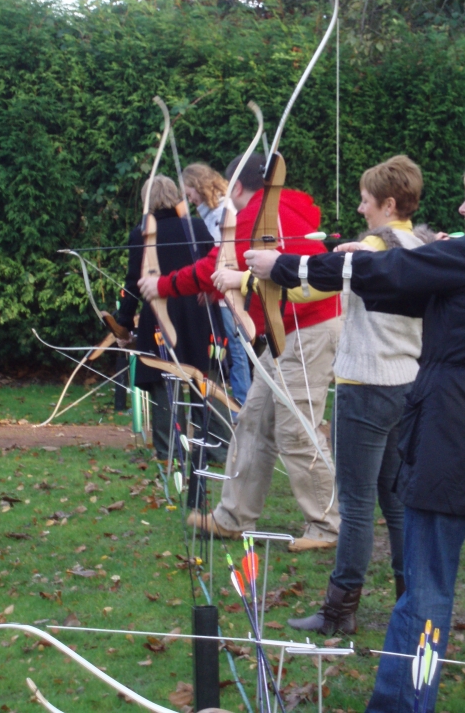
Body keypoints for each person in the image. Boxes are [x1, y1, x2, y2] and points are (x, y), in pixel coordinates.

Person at [246, 154, 465, 713]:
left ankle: (402, 704)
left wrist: (283, 266)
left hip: (451, 443)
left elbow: (391, 273)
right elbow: (411, 289)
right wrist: (361, 261)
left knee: (428, 589)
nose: (462, 207)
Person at [140, 153, 342, 552]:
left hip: (307, 329)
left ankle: (328, 526)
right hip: (290, 330)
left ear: (236, 186)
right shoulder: (277, 208)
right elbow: (228, 269)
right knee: (253, 421)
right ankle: (232, 517)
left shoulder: (257, 215)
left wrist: (162, 286)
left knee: (296, 428)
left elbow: (216, 266)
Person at [287, 155, 432, 635]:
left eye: (366, 200)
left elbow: (306, 289)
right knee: (395, 501)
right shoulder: (421, 245)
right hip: (406, 388)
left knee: (355, 504)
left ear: (388, 204)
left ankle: (339, 611)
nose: (359, 207)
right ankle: (410, 601)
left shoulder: (371, 248)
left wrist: (254, 276)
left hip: (365, 389)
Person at [114, 175, 218, 461]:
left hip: (162, 311)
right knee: (203, 376)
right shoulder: (196, 226)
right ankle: (216, 447)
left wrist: (124, 322)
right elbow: (215, 265)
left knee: (164, 377)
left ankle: (170, 448)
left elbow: (134, 282)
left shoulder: (142, 233)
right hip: (198, 310)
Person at [182, 162, 252, 406]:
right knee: (234, 347)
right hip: (223, 287)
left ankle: (242, 404)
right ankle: (242, 402)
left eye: (189, 192)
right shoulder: (213, 210)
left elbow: (224, 254)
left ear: (197, 185)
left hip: (229, 289)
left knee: (237, 348)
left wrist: (211, 288)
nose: (189, 198)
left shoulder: (223, 210)